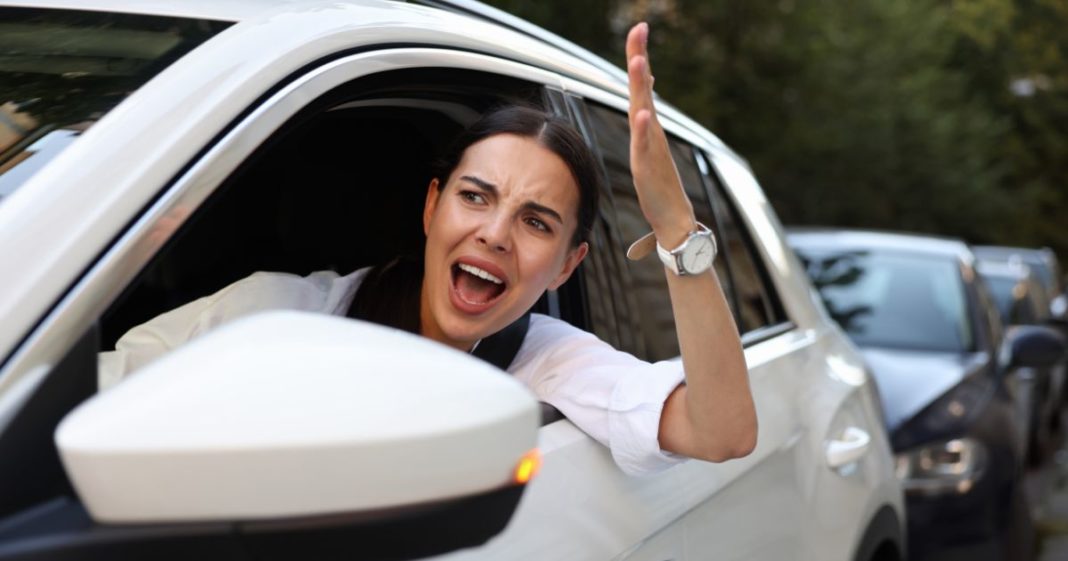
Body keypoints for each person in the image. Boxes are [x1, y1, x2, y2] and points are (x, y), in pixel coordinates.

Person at [98, 23, 757, 476]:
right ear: (430, 206)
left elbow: (722, 430)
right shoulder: (285, 315)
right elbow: (88, 394)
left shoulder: (550, 362)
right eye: (475, 196)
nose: (495, 233)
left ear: (568, 264)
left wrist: (675, 227)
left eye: (536, 221)